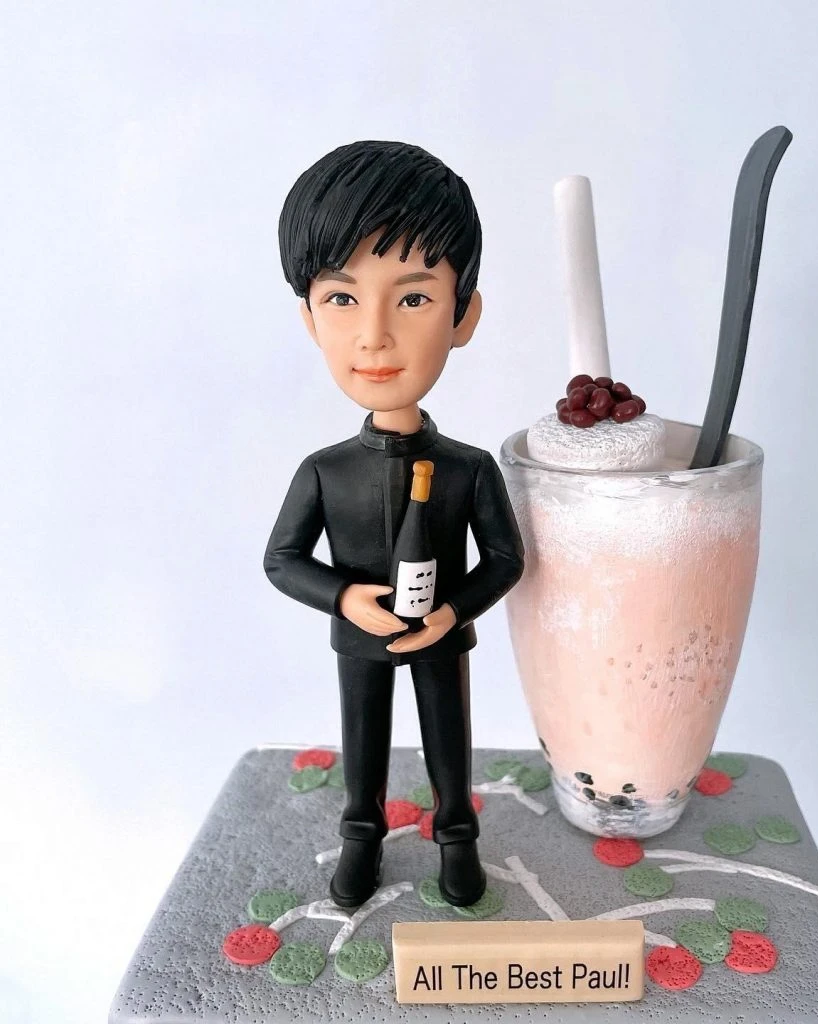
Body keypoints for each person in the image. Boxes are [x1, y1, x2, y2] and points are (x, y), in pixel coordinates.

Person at [265, 141, 524, 908]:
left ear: (464, 315)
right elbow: (282, 559)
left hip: (442, 634)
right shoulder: (325, 470)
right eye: (341, 298)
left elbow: (504, 559)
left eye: (413, 299)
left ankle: (457, 836)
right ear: (310, 318)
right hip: (360, 638)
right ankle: (362, 835)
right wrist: (346, 599)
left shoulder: (469, 468)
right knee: (363, 739)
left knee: (449, 736)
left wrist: (452, 611)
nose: (374, 335)